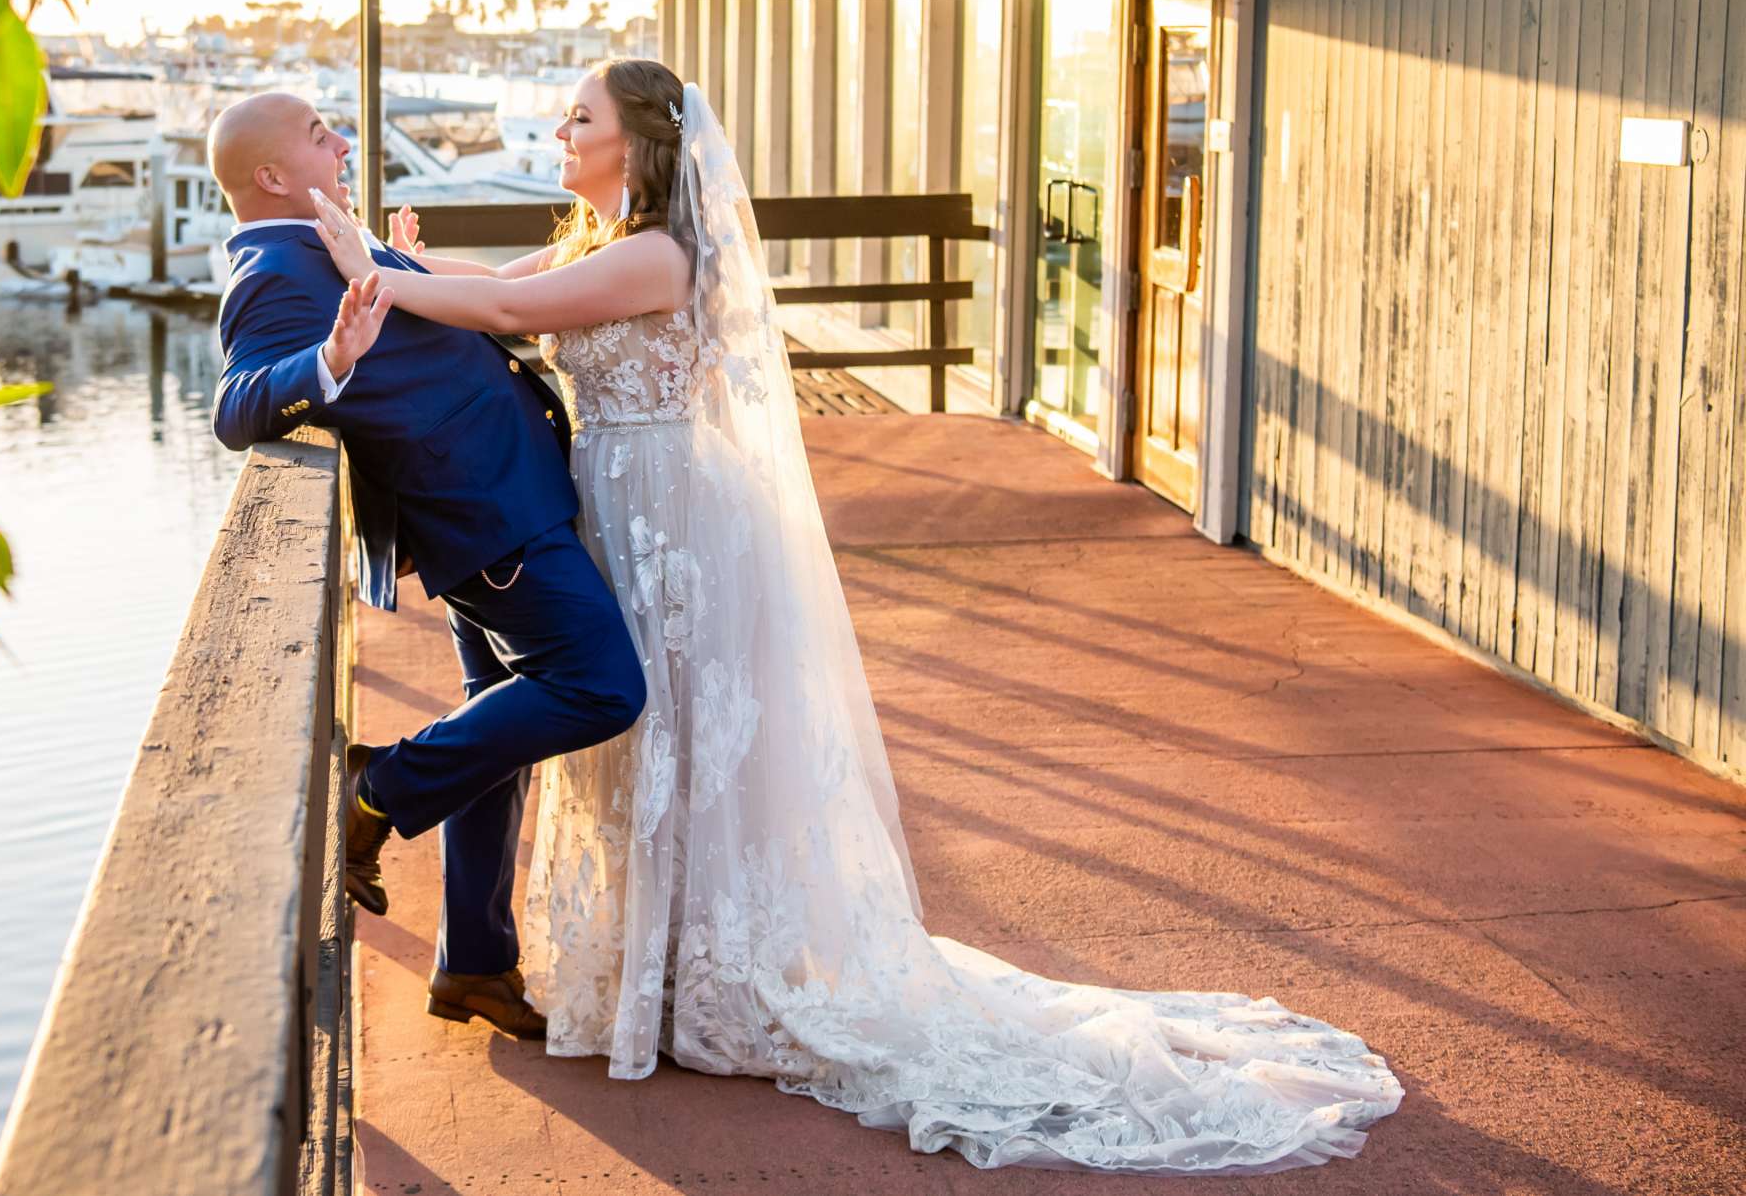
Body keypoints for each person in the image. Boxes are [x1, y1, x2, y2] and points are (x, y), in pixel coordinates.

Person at [302, 58, 1403, 1173]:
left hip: (672, 515)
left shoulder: (656, 253)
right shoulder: (595, 242)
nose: (558, 127)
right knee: (640, 739)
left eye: (578, 116)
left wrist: (369, 272)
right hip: (617, 511)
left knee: (687, 736)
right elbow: (486, 278)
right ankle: (658, 969)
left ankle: (705, 977)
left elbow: (499, 307)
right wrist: (385, 256)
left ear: (634, 146)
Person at [208, 91, 645, 1040]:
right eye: (320, 135)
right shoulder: (273, 261)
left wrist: (401, 260)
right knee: (602, 686)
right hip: (488, 522)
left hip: (494, 503)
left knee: (499, 741)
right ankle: (376, 789)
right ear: (272, 176)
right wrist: (327, 358)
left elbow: (453, 311)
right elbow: (236, 406)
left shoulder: (328, 234)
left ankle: (474, 966)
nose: (341, 140)